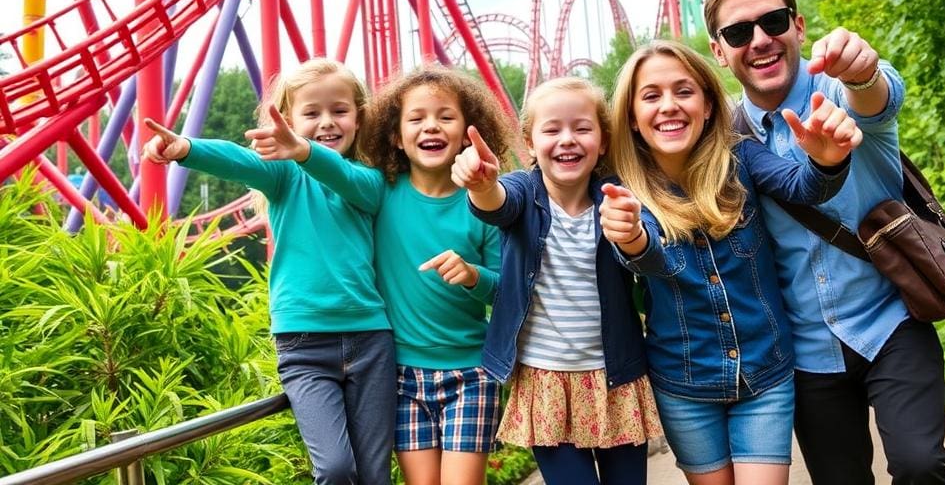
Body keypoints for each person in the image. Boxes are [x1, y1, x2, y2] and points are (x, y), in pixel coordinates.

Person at [704, 0, 945, 485]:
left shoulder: (840, 93)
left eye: (773, 21)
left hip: (892, 320)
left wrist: (862, 70)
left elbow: (879, 94)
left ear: (797, 26)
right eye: (737, 32)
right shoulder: (717, 135)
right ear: (719, 51)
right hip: (804, 349)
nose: (760, 40)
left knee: (919, 465)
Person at [599, 40, 862, 485]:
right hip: (685, 385)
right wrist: (632, 239)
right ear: (631, 116)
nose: (669, 106)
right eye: (651, 95)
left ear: (706, 103)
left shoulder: (740, 157)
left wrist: (826, 162)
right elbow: (650, 260)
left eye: (684, 91)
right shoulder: (621, 190)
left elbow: (802, 188)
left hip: (766, 373)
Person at [142, 58, 395, 485]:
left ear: (359, 115)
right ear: (289, 119)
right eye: (311, 113)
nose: (327, 122)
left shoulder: (368, 181)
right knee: (334, 468)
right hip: (304, 343)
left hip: (370, 340)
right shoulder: (283, 178)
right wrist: (187, 149)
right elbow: (240, 161)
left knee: (374, 474)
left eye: (339, 110)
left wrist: (305, 151)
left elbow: (344, 178)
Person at [452, 76, 662, 485]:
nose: (567, 139)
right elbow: (496, 204)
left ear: (602, 141)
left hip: (615, 377)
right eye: (552, 129)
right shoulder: (521, 191)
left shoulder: (618, 196)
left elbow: (649, 250)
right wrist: (481, 186)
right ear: (530, 143)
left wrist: (633, 231)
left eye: (582, 128)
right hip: (546, 381)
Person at [363, 65, 512, 485]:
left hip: (470, 373)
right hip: (401, 375)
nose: (431, 126)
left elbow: (506, 292)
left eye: (445, 116)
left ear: (468, 131)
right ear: (395, 136)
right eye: (416, 118)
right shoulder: (379, 194)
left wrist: (472, 275)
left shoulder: (484, 204)